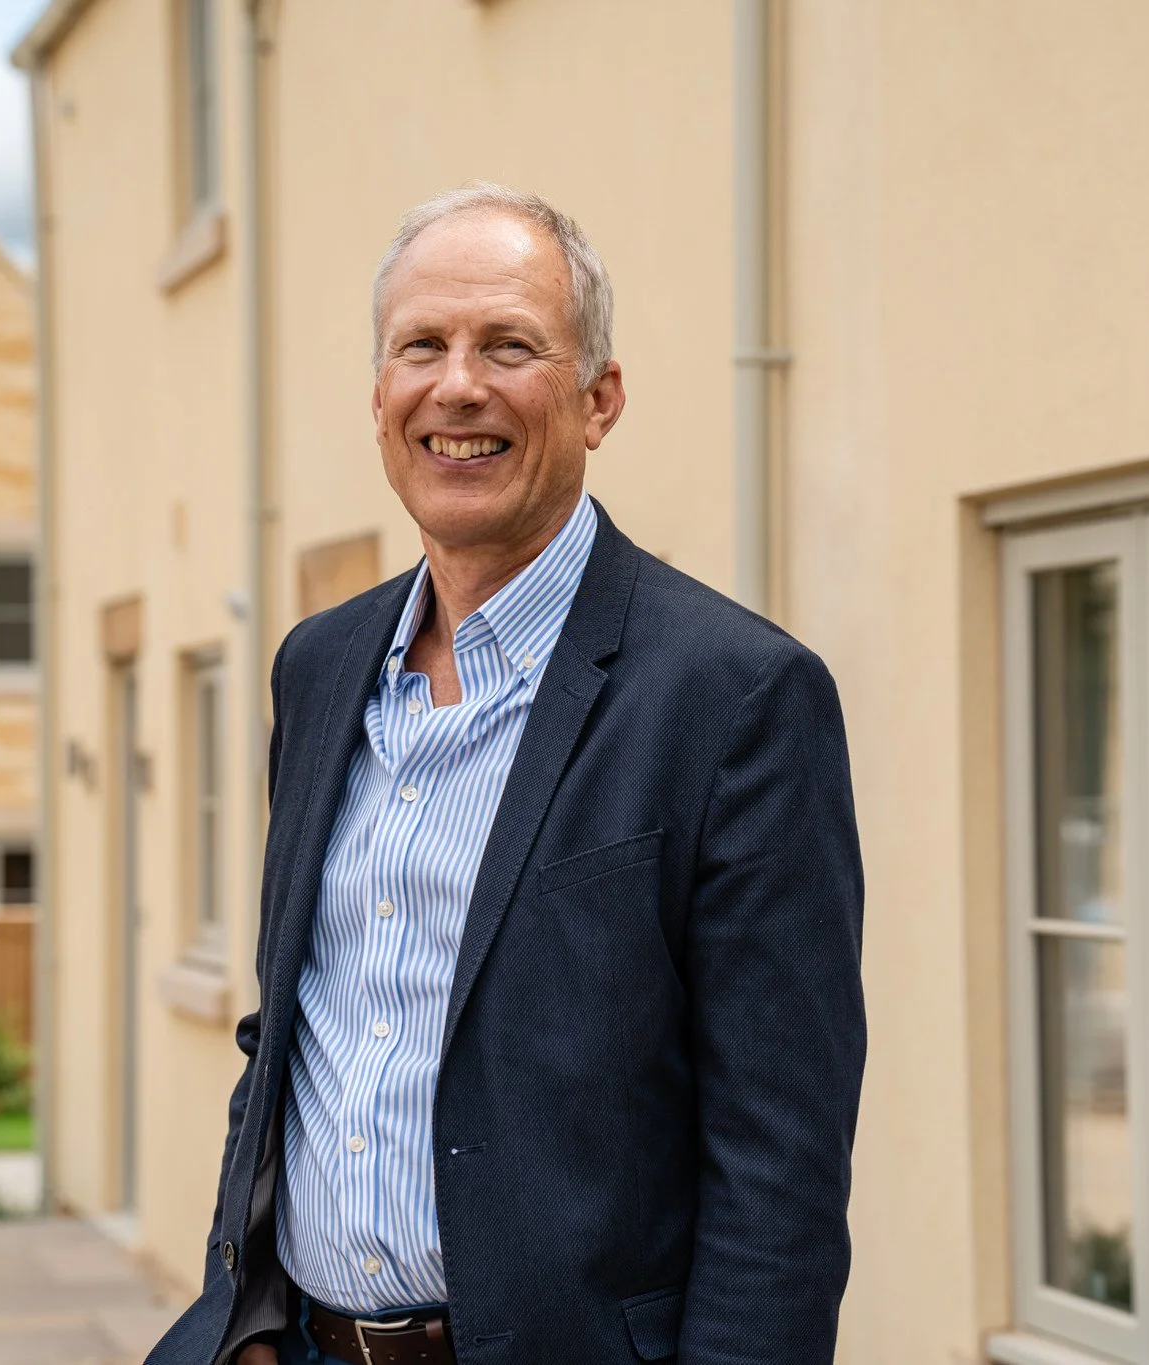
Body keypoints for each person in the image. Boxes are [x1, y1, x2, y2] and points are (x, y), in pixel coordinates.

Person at [146, 183, 864, 1365]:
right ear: (378, 398)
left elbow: (776, 1168)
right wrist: (246, 1311)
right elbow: (303, 1023)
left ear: (599, 399)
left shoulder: (735, 697)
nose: (458, 386)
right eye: (420, 346)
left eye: (510, 346)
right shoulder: (318, 669)